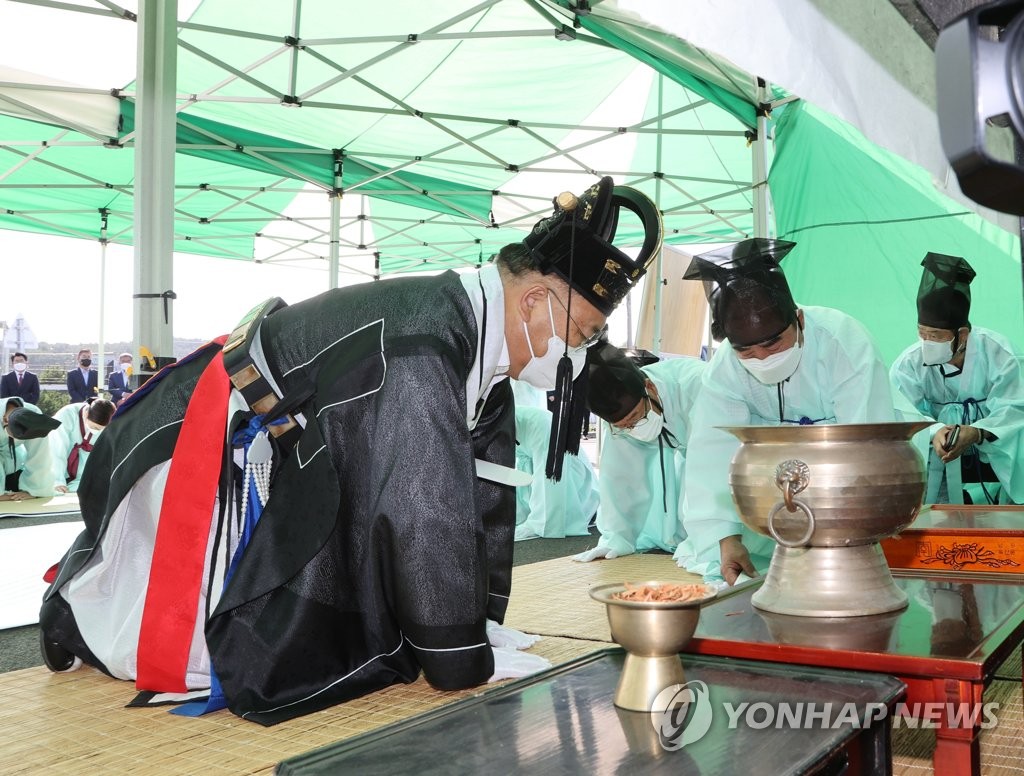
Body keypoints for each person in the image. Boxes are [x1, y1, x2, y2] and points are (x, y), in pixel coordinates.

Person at [39, 177, 662, 724]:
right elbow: (423, 510)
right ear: (532, 301)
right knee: (180, 641)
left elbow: (470, 494)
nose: (575, 354)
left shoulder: (465, 328)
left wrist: (474, 623)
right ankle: (66, 620)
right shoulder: (426, 339)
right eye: (579, 333)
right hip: (203, 444)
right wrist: (458, 657)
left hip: (270, 441)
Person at [676, 238, 898, 585]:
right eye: (745, 350)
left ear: (800, 320)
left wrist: (846, 523)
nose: (762, 359)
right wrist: (726, 539)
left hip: (844, 476)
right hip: (770, 490)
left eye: (772, 343)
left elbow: (865, 439)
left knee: (847, 572)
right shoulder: (725, 367)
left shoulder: (843, 341)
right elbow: (711, 448)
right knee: (760, 574)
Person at [890, 253, 1024, 505]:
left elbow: (1014, 409)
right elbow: (901, 411)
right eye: (922, 333)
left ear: (962, 335)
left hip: (995, 443)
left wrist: (977, 433)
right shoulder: (909, 362)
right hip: (940, 447)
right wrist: (935, 431)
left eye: (936, 335)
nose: (927, 342)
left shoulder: (1000, 354)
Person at [574, 342, 705, 562]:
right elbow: (620, 478)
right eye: (624, 426)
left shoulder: (695, 385)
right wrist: (617, 537)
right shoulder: (618, 425)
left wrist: (706, 538)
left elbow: (708, 469)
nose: (633, 429)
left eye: (636, 417)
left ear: (650, 388)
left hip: (718, 450)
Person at [513, 404, 599, 540]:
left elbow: (548, 476)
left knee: (550, 473)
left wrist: (536, 524)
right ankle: (536, 516)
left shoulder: (538, 423)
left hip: (570, 472)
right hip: (537, 462)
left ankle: (549, 519)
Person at [48, 399, 116, 493]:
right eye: (95, 427)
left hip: (82, 472)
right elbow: (57, 449)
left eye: (101, 429)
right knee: (56, 489)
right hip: (57, 465)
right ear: (86, 414)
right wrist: (58, 481)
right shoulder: (67, 414)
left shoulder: (111, 424)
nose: (97, 431)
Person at [0, 398, 60, 500]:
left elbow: (40, 455)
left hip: (14, 461)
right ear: (5, 420)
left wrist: (33, 491)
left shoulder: (34, 414)